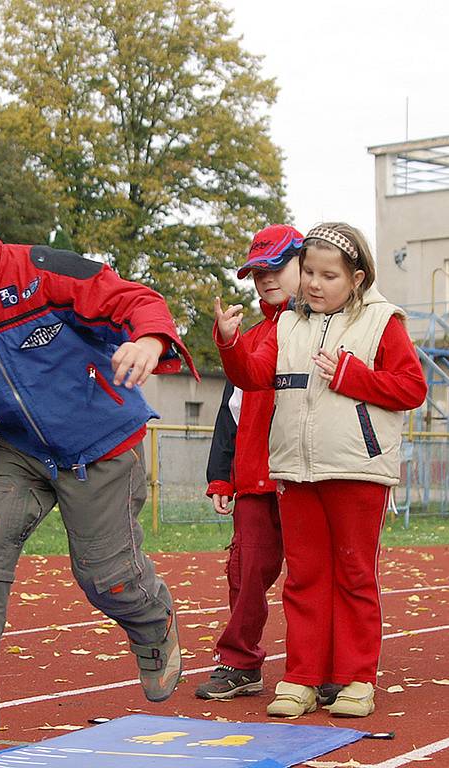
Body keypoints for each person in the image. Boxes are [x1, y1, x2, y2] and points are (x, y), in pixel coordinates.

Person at [0, 172, 199, 734]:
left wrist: (149, 338)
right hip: (21, 452)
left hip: (101, 445)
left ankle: (152, 621)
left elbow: (131, 297)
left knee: (105, 575)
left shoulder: (42, 274)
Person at [214, 222, 427, 718]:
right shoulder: (288, 323)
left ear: (356, 278)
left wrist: (354, 376)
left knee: (354, 575)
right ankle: (301, 677)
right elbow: (253, 375)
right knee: (304, 578)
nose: (312, 283)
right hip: (295, 471)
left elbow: (411, 387)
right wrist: (230, 343)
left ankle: (355, 678)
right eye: (308, 271)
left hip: (357, 470)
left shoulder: (382, 322)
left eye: (328, 275)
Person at [196, 224, 302, 701]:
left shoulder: (323, 331)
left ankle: (313, 668)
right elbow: (230, 412)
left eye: (275, 266)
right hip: (255, 480)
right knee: (244, 574)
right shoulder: (251, 336)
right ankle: (240, 663)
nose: (264, 278)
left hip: (306, 478)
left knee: (311, 576)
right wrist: (221, 476)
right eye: (257, 271)